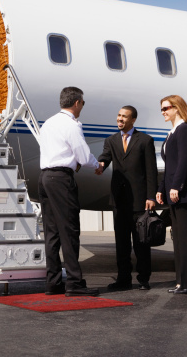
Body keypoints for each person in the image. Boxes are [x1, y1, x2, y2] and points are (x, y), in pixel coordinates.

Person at [38, 86, 103, 297]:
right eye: (82, 103)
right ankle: (74, 283)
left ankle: (53, 283)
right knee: (70, 231)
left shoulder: (48, 123)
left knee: (52, 233)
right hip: (61, 179)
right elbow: (83, 156)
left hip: (45, 177)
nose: (82, 106)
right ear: (76, 103)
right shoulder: (72, 125)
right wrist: (98, 165)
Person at [98, 105, 158, 291]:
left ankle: (143, 279)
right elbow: (105, 158)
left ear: (133, 120)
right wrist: (99, 164)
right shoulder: (111, 140)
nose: (120, 119)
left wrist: (151, 196)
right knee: (122, 243)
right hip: (119, 201)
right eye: (118, 116)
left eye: (124, 116)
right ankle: (123, 280)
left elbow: (151, 171)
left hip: (140, 200)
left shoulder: (145, 141)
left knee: (141, 243)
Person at [156, 95, 187, 295]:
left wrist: (176, 186)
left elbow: (184, 162)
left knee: (186, 238)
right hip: (172, 192)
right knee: (179, 239)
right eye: (162, 109)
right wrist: (160, 189)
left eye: (166, 108)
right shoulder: (172, 133)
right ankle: (180, 282)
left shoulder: (184, 130)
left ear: (177, 108)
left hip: (182, 193)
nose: (163, 112)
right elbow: (169, 167)